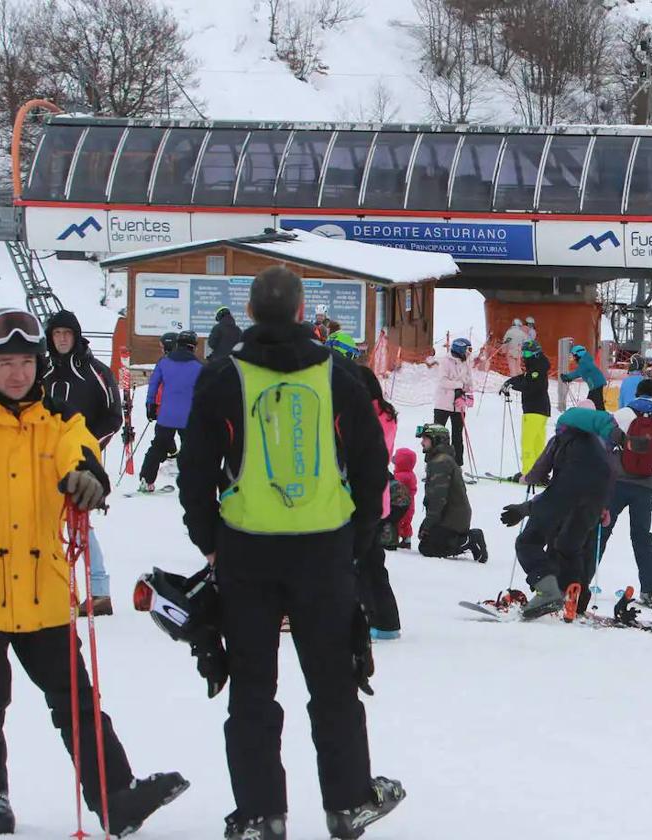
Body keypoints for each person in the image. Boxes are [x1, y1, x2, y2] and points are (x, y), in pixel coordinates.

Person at [177, 267, 403, 838]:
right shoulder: (340, 375)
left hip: (246, 550)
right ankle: (349, 801)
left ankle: (260, 815)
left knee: (252, 688)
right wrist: (358, 536)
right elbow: (374, 465)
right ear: (303, 313)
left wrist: (209, 540)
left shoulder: (223, 374)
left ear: (250, 313)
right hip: (323, 551)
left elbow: (195, 467)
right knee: (333, 682)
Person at [0, 307, 188, 836]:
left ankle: (115, 798)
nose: (16, 373)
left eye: (25, 362)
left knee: (76, 703)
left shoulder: (58, 422)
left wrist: (87, 475)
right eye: (4, 362)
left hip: (41, 591)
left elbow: (78, 451)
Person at [43, 309, 122, 616]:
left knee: (79, 523)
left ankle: (99, 591)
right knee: (49, 522)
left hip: (81, 462)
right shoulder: (42, 372)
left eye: (67, 334)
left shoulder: (97, 372)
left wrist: (88, 451)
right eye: (57, 334)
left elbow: (113, 417)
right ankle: (61, 589)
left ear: (76, 337)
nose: (62, 339)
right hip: (43, 461)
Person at [502, 408, 614, 618]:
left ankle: (548, 592)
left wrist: (523, 504)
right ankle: (572, 600)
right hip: (596, 501)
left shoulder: (563, 439)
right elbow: (609, 476)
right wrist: (603, 506)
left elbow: (543, 479)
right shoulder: (600, 447)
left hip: (567, 492)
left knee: (528, 542)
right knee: (569, 547)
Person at [326, 331, 401, 644]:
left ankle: (371, 618)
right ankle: (379, 618)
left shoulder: (362, 414)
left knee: (358, 560)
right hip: (377, 494)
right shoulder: (386, 414)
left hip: (358, 495)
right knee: (369, 562)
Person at [600, 378, 652, 605]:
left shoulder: (621, 414)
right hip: (646, 485)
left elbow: (603, 442)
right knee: (642, 535)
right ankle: (650, 589)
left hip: (616, 481)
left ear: (637, 393)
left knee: (601, 529)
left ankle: (583, 577)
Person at [413, 424, 488, 562]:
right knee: (427, 541)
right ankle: (460, 539)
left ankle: (469, 539)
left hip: (452, 519)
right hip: (451, 517)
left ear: (437, 440)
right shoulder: (441, 460)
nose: (422, 442)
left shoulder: (440, 463)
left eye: (425, 439)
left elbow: (438, 499)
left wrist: (428, 524)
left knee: (428, 548)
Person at [140, 329, 202, 493]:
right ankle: (194, 484)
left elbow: (153, 384)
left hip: (166, 415)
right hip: (189, 417)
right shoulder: (198, 366)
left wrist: (150, 405)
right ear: (193, 347)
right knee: (192, 450)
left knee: (158, 447)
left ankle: (146, 480)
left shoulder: (164, 363)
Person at [501, 339, 550, 480]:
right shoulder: (537, 367)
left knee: (528, 443)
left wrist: (513, 386)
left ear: (535, 353)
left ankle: (528, 473)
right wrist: (511, 381)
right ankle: (540, 473)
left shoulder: (537, 368)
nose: (525, 356)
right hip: (540, 410)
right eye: (523, 352)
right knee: (537, 444)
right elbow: (525, 379)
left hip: (534, 410)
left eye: (528, 352)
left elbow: (531, 386)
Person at [433, 337, 474, 467]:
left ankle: (457, 465)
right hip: (443, 404)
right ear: (460, 348)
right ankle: (435, 464)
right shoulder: (445, 361)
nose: (469, 353)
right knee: (438, 435)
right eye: (468, 349)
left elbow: (469, 381)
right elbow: (443, 381)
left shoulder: (466, 362)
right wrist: (459, 385)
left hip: (458, 405)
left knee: (457, 436)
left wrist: (468, 394)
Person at [388, 448, 419, 549]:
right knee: (406, 524)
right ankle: (407, 539)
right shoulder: (411, 475)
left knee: (397, 522)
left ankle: (393, 539)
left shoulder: (400, 477)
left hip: (402, 505)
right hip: (410, 506)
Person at [561, 344, 607, 410]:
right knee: (593, 403)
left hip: (596, 384)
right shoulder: (585, 360)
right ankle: (599, 417)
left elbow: (578, 372)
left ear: (578, 354)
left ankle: (602, 417)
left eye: (574, 355)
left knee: (594, 404)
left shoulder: (584, 362)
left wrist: (568, 377)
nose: (573, 358)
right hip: (595, 384)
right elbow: (579, 372)